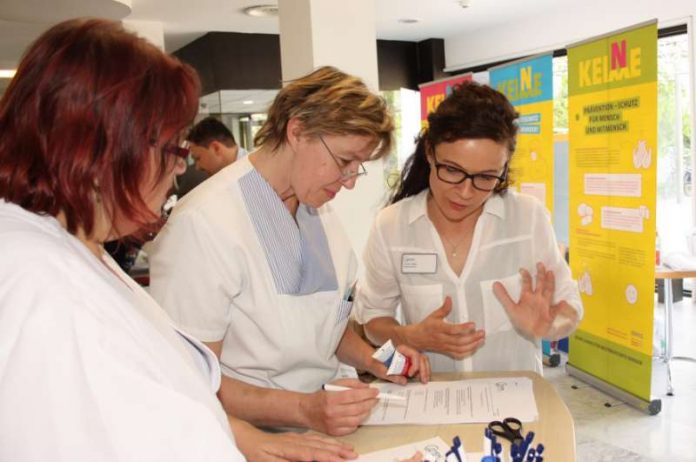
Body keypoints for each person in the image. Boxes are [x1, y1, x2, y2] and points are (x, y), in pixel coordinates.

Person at [0, 19, 356, 462]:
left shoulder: (74, 249)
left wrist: (242, 437)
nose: (180, 168)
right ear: (103, 149)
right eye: (173, 148)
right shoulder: (37, 280)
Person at [149, 66, 431, 437]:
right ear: (297, 131)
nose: (349, 182)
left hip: (330, 424)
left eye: (357, 167)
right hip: (254, 439)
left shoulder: (317, 209)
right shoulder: (202, 224)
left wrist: (381, 360)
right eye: (345, 161)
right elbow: (191, 377)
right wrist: (305, 410)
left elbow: (326, 324)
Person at [353, 82, 583, 374]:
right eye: (451, 170)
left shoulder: (528, 217)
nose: (464, 192)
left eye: (486, 177)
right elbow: (373, 319)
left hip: (514, 405)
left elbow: (569, 303)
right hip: (434, 398)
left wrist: (552, 325)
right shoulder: (391, 226)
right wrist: (409, 336)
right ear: (429, 152)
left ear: (503, 169)